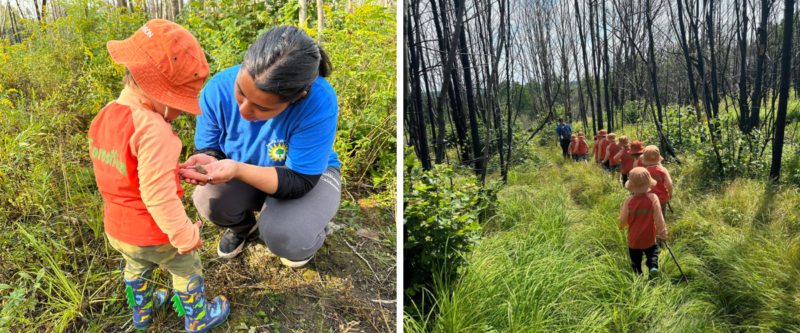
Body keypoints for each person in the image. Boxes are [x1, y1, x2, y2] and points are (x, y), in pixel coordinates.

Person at [89, 20, 228, 331]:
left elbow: (122, 171)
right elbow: (157, 196)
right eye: (180, 104)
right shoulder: (155, 131)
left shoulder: (106, 114)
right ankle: (197, 317)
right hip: (155, 234)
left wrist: (172, 170)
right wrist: (186, 236)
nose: (181, 113)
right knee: (184, 266)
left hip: (117, 229)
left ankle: (143, 313)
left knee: (136, 268)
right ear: (160, 93)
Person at [178, 26, 342, 269]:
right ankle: (245, 228)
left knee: (289, 239)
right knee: (206, 199)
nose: (244, 111)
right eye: (241, 93)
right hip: (244, 168)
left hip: (305, 175)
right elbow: (210, 146)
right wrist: (208, 158)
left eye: (263, 108)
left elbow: (300, 180)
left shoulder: (318, 101)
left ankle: (303, 224)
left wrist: (237, 170)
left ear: (298, 97)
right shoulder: (217, 87)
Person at [618, 167, 668, 276]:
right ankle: (653, 267)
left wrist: (621, 226)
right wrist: (663, 234)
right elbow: (659, 218)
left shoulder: (629, 201)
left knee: (635, 261)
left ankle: (638, 277)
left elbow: (623, 219)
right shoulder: (653, 198)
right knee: (652, 254)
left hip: (634, 239)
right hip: (649, 237)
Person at [641, 145, 674, 221]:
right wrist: (670, 195)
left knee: (651, 219)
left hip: (649, 200)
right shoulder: (663, 170)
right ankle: (661, 232)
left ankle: (653, 231)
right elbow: (669, 184)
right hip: (662, 198)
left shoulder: (644, 171)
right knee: (661, 218)